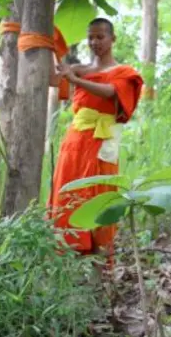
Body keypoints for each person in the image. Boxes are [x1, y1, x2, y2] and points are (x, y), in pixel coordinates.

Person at [48, 18, 143, 265]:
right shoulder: (81, 68)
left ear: (113, 39)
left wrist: (75, 80)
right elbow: (52, 79)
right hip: (74, 143)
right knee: (67, 198)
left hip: (102, 143)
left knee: (100, 198)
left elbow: (111, 93)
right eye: (91, 37)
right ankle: (68, 262)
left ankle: (102, 270)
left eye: (100, 37)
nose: (94, 42)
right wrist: (48, 43)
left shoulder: (124, 72)